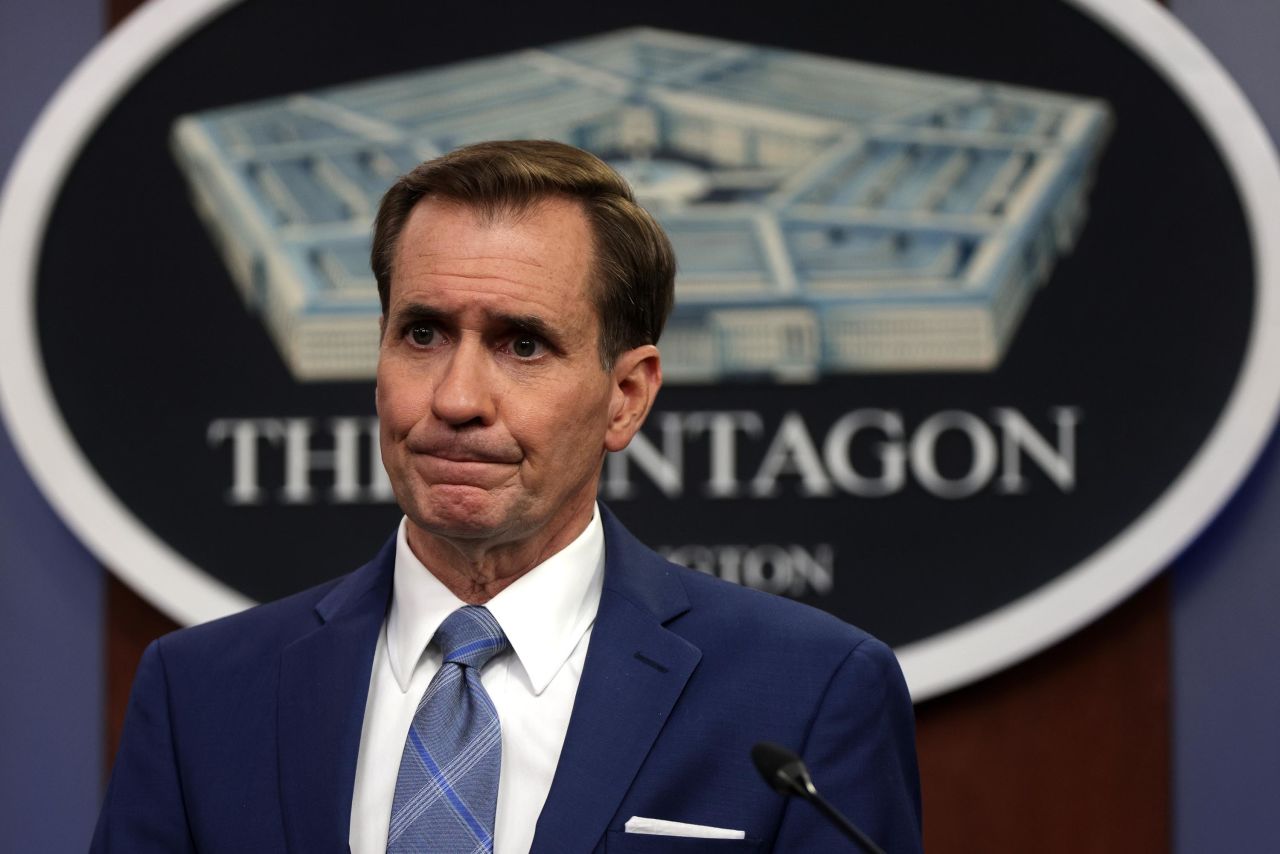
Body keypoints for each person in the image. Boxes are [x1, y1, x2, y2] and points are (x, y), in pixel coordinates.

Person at [92, 140, 922, 853]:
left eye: (522, 344)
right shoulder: (202, 692)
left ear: (627, 395)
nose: (456, 398)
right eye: (422, 334)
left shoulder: (805, 694)